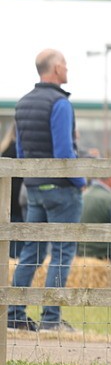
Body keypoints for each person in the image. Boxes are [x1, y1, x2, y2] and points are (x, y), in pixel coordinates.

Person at [8, 49, 84, 333]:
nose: (67, 68)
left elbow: (21, 150)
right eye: (64, 63)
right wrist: (79, 182)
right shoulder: (60, 104)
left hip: (34, 188)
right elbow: (64, 152)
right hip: (61, 189)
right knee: (63, 252)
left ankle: (14, 314)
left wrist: (31, 180)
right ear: (54, 69)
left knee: (32, 251)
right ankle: (51, 319)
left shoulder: (23, 103)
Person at [1, 124, 25, 259]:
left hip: (6, 198)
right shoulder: (19, 151)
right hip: (18, 197)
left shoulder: (5, 150)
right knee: (19, 232)